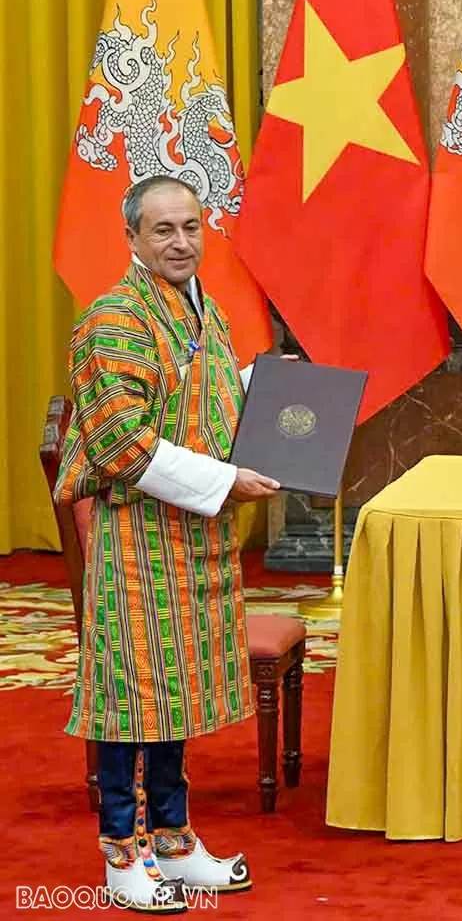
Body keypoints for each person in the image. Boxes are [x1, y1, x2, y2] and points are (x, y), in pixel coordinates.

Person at [52, 174, 279, 910]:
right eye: (163, 231)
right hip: (138, 544)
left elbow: (204, 398)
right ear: (131, 239)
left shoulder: (197, 308)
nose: (181, 242)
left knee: (174, 698)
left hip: (197, 539)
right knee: (133, 700)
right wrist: (227, 482)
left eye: (191, 227)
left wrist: (275, 394)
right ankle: (123, 855)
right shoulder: (113, 320)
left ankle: (176, 844)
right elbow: (123, 445)